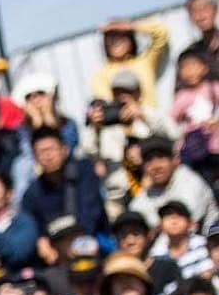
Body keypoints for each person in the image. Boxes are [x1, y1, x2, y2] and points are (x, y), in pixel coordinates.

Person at [82, 70, 178, 221]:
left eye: (128, 92)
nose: (123, 97)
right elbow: (88, 152)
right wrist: (95, 128)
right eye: (117, 92)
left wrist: (143, 116)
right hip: (118, 195)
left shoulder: (151, 114)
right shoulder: (106, 122)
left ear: (138, 94)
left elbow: (174, 135)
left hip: (154, 191)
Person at [22, 126, 108, 250]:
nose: (48, 156)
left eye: (51, 149)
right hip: (57, 251)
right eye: (41, 152)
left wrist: (74, 244)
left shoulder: (84, 170)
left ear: (65, 150)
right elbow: (35, 227)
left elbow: (91, 213)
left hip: (91, 241)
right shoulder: (33, 192)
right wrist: (41, 241)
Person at [130, 136, 219, 231]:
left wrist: (152, 229)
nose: (155, 166)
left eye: (161, 157)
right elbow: (135, 216)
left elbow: (180, 225)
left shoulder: (190, 180)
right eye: (149, 160)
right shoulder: (146, 194)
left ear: (175, 159)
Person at [90, 16, 169, 107]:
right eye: (111, 37)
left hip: (150, 119)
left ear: (131, 39)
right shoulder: (100, 75)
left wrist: (131, 26)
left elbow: (162, 33)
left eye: (121, 35)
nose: (116, 41)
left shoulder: (145, 62)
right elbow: (107, 105)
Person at [169, 46, 219, 186]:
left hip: (216, 145)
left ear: (204, 67)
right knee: (204, 183)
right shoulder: (181, 96)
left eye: (193, 66)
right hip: (196, 149)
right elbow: (171, 121)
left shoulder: (214, 87)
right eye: (184, 68)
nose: (190, 71)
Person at [111, 209, 181, 295]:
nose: (130, 241)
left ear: (148, 236)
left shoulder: (167, 268)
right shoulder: (115, 274)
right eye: (123, 235)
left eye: (136, 233)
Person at [14, 71, 79, 152]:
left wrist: (50, 121)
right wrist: (37, 125)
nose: (36, 101)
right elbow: (29, 155)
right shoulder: (20, 130)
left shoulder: (68, 124)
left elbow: (68, 149)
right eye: (29, 97)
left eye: (41, 94)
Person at [150, 200, 213, 279]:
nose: (174, 221)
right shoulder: (156, 253)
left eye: (179, 215)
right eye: (168, 216)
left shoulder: (203, 244)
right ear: (161, 225)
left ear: (190, 222)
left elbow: (208, 275)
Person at [186, 0, 219, 79]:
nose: (200, 16)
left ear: (215, 9)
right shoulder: (189, 54)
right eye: (194, 11)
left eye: (204, 9)